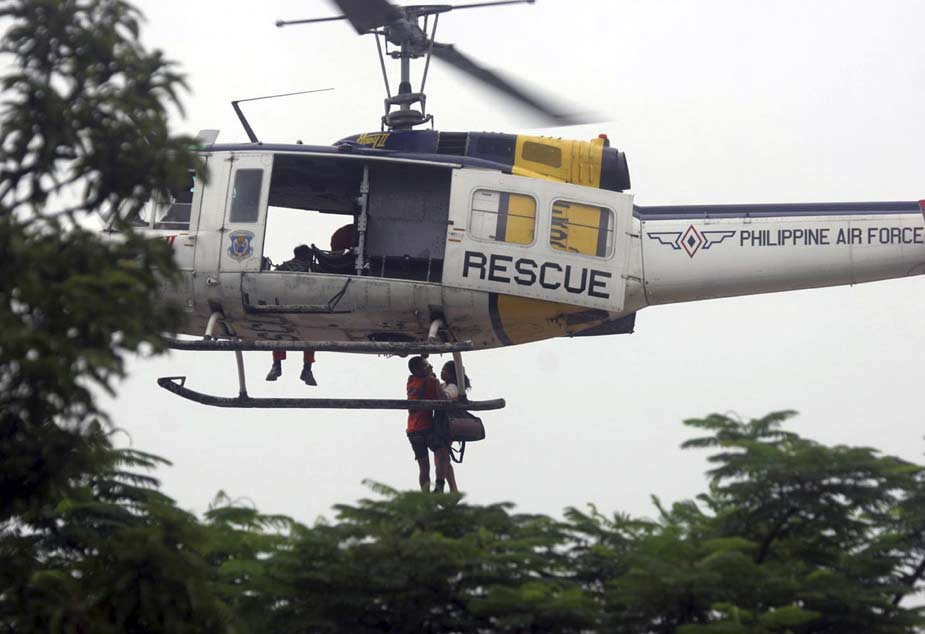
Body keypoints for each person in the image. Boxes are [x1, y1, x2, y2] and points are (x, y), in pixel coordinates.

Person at [265, 244, 317, 385]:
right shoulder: (310, 269)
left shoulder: (285, 267)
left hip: (296, 308)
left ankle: (279, 366)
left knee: (281, 334)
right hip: (294, 307)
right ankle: (304, 369)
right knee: (309, 337)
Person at [405, 356, 445, 493]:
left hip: (412, 429)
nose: (430, 367)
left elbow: (416, 373)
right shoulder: (431, 382)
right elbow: (443, 399)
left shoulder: (410, 382)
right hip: (426, 427)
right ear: (418, 369)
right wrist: (436, 381)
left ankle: (425, 496)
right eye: (426, 366)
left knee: (423, 467)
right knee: (442, 454)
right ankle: (439, 485)